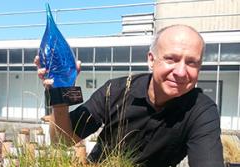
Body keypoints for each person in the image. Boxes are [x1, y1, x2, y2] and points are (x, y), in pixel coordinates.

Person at [34, 24, 224, 167]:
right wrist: (60, 94)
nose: (181, 72)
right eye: (171, 59)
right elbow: (63, 141)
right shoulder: (117, 91)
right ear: (151, 59)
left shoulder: (202, 110)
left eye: (191, 63)